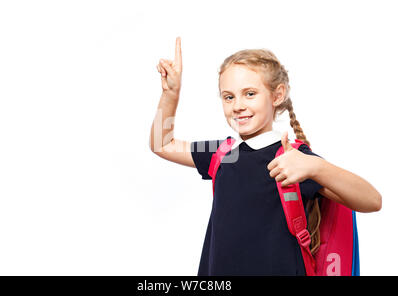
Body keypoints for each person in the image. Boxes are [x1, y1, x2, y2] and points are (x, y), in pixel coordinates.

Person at [149, 36, 382, 276]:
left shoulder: (294, 159)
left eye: (249, 94)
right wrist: (171, 94)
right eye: (229, 97)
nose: (237, 105)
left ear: (277, 95)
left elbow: (372, 201)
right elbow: (162, 143)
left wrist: (315, 167)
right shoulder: (225, 154)